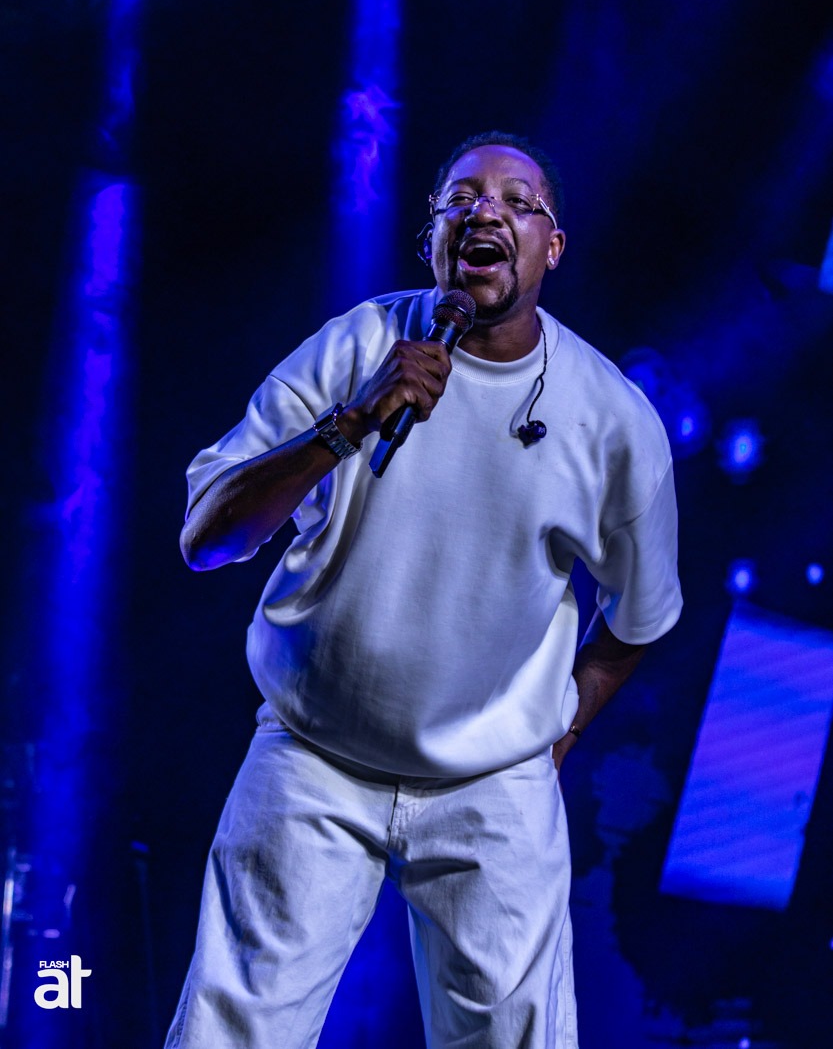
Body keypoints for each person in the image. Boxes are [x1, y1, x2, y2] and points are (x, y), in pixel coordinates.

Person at [164, 131, 682, 1049]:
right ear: (431, 237)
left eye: (518, 202)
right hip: (313, 755)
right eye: (462, 199)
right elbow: (207, 539)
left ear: (552, 247)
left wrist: (556, 735)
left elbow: (637, 619)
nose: (487, 212)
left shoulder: (611, 418)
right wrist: (348, 423)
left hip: (492, 781)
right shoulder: (358, 346)